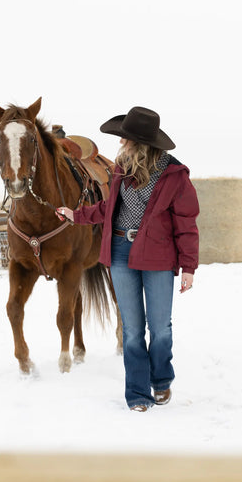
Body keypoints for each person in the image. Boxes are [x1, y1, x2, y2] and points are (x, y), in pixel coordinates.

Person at [56, 106, 200, 412]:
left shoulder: (175, 176)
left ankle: (161, 380)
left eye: (125, 138)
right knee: (133, 329)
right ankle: (137, 393)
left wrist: (189, 266)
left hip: (159, 256)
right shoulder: (122, 170)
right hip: (121, 252)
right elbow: (109, 209)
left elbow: (186, 225)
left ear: (140, 143)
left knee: (160, 328)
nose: (121, 143)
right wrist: (75, 215)